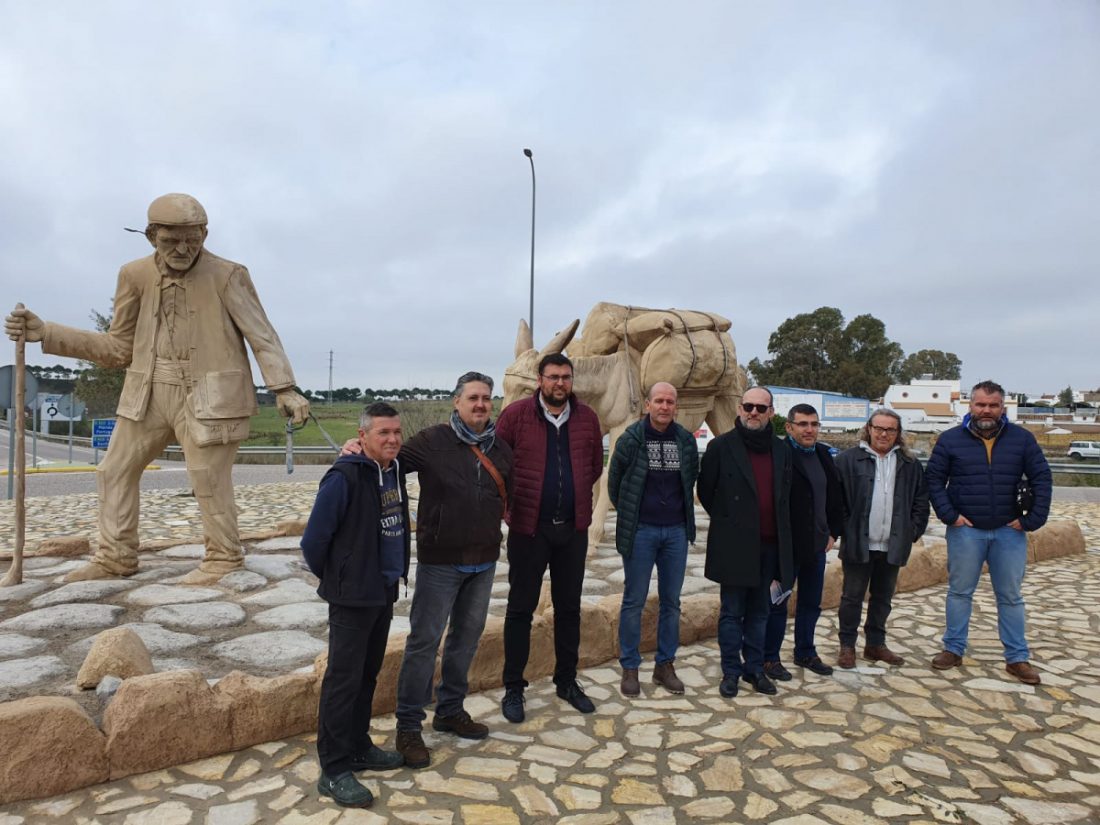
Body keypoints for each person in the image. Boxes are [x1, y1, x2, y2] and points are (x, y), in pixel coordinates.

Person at [4, 194, 309, 585]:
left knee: (208, 478)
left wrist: (284, 387)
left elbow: (261, 335)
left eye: (192, 239)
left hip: (210, 396)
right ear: (151, 236)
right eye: (171, 241)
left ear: (204, 234)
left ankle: (223, 558)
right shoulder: (133, 275)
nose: (183, 249)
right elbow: (118, 348)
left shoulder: (229, 274)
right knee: (114, 470)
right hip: (147, 392)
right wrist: (48, 333)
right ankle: (115, 558)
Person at [391, 372, 513, 769]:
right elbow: (389, 462)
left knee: (466, 639)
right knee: (424, 643)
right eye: (473, 397)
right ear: (457, 402)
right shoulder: (430, 441)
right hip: (440, 561)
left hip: (484, 561)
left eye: (486, 398)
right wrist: (358, 448)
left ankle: (449, 711)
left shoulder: (500, 449)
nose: (481, 404)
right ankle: (409, 726)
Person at [301, 402, 408, 809]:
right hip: (352, 597)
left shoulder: (392, 469)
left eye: (396, 431)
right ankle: (333, 768)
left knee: (367, 675)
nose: (392, 439)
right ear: (362, 436)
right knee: (342, 682)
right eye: (383, 432)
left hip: (383, 591)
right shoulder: (343, 476)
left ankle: (359, 746)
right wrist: (340, 577)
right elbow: (314, 542)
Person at [496, 353, 604, 722]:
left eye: (566, 377)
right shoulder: (515, 417)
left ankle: (567, 680)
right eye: (553, 377)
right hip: (529, 528)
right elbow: (499, 465)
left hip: (572, 529)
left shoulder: (587, 418)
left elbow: (593, 467)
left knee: (569, 609)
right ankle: (513, 687)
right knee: (520, 609)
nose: (560, 383)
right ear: (539, 380)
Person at [925, 380, 1052, 684]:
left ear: (1002, 407)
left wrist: (1032, 520)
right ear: (970, 405)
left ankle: (1017, 658)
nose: (987, 410)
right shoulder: (950, 440)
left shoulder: (1022, 439)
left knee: (1010, 596)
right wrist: (950, 516)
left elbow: (1042, 478)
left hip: (1010, 531)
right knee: (959, 593)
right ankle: (953, 649)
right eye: (981, 404)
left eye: (993, 405)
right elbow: (933, 480)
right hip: (966, 531)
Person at [698, 386, 794, 698]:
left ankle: (754, 669)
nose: (753, 412)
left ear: (771, 414)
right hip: (735, 545)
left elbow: (787, 499)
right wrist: (734, 523)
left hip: (770, 546)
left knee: (761, 612)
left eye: (760, 408)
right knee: (731, 613)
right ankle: (731, 672)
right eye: (748, 406)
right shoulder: (720, 447)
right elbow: (707, 492)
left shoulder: (782, 451)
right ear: (740, 409)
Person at [607, 382, 699, 697]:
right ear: (648, 405)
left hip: (675, 531)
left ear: (675, 407)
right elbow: (615, 482)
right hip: (641, 530)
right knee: (633, 601)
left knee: (671, 602)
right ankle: (630, 667)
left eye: (669, 402)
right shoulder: (631, 439)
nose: (664, 406)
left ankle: (665, 665)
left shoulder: (686, 441)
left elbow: (690, 479)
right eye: (658, 401)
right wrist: (633, 512)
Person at [834, 409, 930, 669]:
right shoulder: (847, 460)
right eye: (879, 428)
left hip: (893, 543)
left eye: (890, 429)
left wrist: (913, 530)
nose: (883, 434)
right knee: (851, 597)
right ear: (869, 428)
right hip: (858, 542)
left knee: (883, 598)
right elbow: (836, 499)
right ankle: (847, 646)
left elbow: (921, 501)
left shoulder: (909, 464)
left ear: (898, 434)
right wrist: (845, 527)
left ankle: (875, 644)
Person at [763, 404, 843, 680]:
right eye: (803, 424)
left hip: (817, 545)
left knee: (811, 602)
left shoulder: (823, 454)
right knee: (777, 603)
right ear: (789, 427)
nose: (809, 430)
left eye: (814, 424)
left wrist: (834, 532)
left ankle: (805, 651)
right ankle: (769, 658)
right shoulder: (779, 455)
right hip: (786, 546)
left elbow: (834, 496)